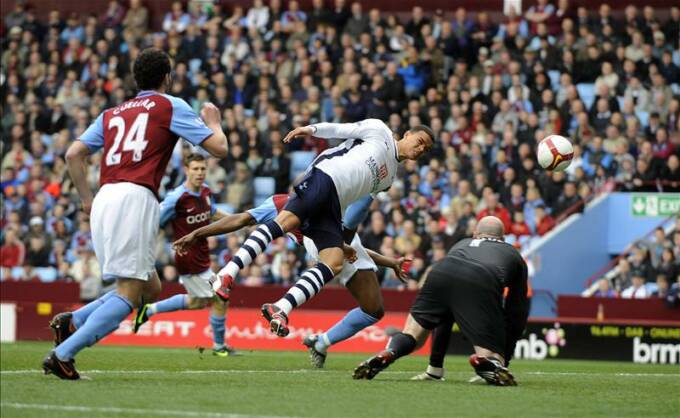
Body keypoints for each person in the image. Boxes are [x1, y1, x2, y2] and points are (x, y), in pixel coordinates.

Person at [43, 48, 228, 380]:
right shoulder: (170, 104)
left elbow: (74, 153)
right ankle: (63, 354)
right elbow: (220, 148)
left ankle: (73, 321)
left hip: (106, 196)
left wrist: (86, 200)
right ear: (167, 77)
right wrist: (214, 122)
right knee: (130, 292)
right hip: (135, 196)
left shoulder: (111, 113)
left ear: (135, 78)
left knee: (150, 289)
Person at [213, 119, 433, 337]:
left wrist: (344, 238)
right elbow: (339, 129)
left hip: (335, 207)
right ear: (407, 134)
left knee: (334, 262)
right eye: (420, 141)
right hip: (325, 176)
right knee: (285, 223)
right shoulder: (380, 130)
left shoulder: (389, 178)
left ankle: (280, 308)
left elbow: (360, 208)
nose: (421, 148)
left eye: (427, 148)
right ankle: (226, 274)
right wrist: (309, 130)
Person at [173, 193, 409, 368]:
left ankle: (321, 342)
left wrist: (390, 262)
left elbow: (356, 247)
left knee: (374, 310)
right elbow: (240, 219)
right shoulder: (281, 204)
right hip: (327, 245)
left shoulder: (314, 200)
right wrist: (197, 233)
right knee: (346, 237)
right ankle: (374, 189)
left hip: (345, 245)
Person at [353, 216, 528, 386]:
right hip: (482, 278)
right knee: (491, 354)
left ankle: (392, 351)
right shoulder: (513, 255)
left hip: (441, 270)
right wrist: (505, 353)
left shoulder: (462, 244)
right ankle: (491, 364)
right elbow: (516, 311)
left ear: (475, 234)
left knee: (412, 335)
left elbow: (445, 314)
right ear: (503, 238)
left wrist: (435, 367)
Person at [132, 154, 237, 357]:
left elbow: (212, 213)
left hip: (202, 255)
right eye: (195, 169)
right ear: (186, 170)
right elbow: (154, 221)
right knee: (220, 298)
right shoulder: (176, 197)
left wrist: (241, 221)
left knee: (196, 302)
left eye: (202, 169)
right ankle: (219, 346)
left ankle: (149, 311)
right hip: (187, 257)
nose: (199, 173)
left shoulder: (205, 191)